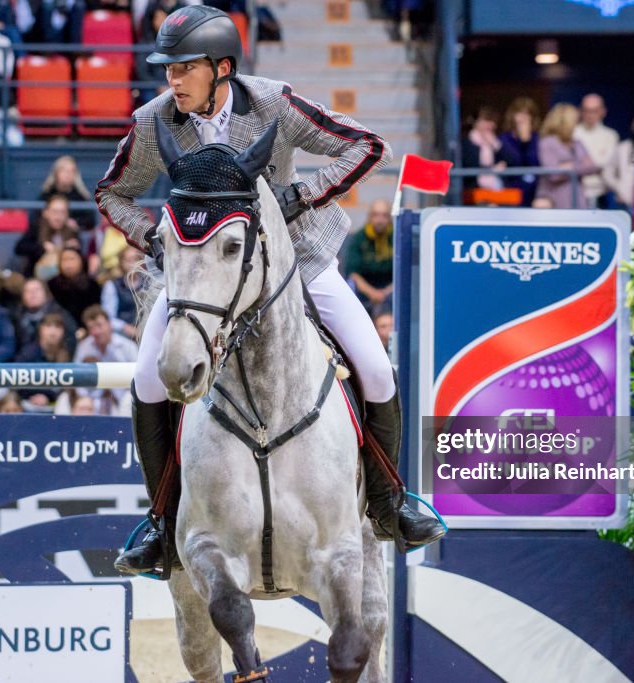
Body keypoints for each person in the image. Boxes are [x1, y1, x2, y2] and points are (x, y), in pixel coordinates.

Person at [97, 5, 443, 576]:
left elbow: (366, 145)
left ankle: (388, 501)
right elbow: (112, 193)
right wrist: (158, 244)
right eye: (168, 70)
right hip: (204, 275)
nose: (172, 81)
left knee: (377, 370)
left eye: (183, 69)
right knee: (146, 378)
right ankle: (163, 521)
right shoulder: (153, 121)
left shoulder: (274, 103)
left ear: (222, 68)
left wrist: (299, 197)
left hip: (295, 261)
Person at [73, 305, 137, 416]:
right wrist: (85, 397)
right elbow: (76, 377)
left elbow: (139, 378)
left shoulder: (127, 346)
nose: (96, 331)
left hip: (124, 398)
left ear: (109, 324)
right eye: (91, 328)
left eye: (99, 325)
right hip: (93, 400)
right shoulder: (84, 347)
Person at [535, 103, 599, 209]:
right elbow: (553, 174)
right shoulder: (548, 142)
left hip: (578, 199)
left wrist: (568, 166)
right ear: (564, 122)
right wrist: (579, 165)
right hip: (555, 200)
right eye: (574, 121)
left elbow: (592, 166)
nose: (576, 125)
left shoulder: (577, 143)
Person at [344, 199, 394, 316]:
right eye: (376, 215)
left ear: (390, 218)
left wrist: (385, 293)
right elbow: (353, 273)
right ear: (369, 217)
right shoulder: (359, 238)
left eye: (384, 215)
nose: (380, 220)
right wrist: (373, 293)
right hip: (364, 291)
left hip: (390, 291)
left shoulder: (396, 237)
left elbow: (403, 271)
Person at [14, 311, 72, 411]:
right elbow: (16, 382)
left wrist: (49, 397)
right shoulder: (28, 353)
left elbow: (66, 387)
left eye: (57, 327)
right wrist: (36, 395)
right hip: (27, 403)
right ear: (41, 329)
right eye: (48, 326)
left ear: (63, 331)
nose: (53, 332)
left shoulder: (65, 355)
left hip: (56, 404)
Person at [14, 193, 81, 278]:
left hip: (64, 279)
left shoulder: (72, 230)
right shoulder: (37, 228)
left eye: (62, 212)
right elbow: (19, 248)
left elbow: (78, 256)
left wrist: (71, 249)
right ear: (46, 213)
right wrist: (42, 247)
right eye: (55, 212)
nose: (58, 217)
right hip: (37, 276)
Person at [572, 93, 619, 209]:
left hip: (602, 194)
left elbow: (606, 163)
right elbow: (571, 164)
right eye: (587, 110)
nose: (590, 115)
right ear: (581, 111)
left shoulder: (611, 135)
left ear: (603, 111)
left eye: (594, 111)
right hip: (575, 192)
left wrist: (584, 164)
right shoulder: (572, 133)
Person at [12, 277, 77, 354]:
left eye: (36, 290)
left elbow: (71, 340)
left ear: (45, 293)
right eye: (28, 291)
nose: (32, 294)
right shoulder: (17, 316)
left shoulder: (59, 314)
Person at [498, 97, 541, 206]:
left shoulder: (537, 138)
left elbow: (535, 163)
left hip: (533, 192)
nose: (523, 119)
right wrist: (523, 142)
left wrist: (527, 141)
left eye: (527, 114)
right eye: (519, 114)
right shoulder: (504, 139)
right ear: (512, 116)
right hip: (511, 191)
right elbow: (513, 161)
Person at [39, 156, 96, 232]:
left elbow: (90, 220)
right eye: (64, 171)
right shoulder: (47, 194)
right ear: (56, 173)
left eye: (71, 171)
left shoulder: (81, 196)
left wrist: (77, 223)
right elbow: (36, 218)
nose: (68, 174)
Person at [47, 246, 101, 327]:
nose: (68, 264)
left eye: (72, 259)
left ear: (81, 261)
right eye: (64, 260)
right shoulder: (51, 284)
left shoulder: (92, 284)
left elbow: (95, 311)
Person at [99, 245, 144, 339]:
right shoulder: (112, 286)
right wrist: (127, 328)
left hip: (145, 333)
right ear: (121, 263)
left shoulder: (148, 283)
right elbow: (108, 317)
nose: (132, 263)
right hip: (121, 335)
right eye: (128, 260)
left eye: (136, 259)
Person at [461, 106, 505, 192]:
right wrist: (491, 170)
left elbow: (511, 160)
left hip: (496, 188)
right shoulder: (467, 142)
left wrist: (496, 144)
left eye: (493, 122)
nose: (491, 125)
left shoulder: (496, 141)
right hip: (474, 190)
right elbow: (469, 165)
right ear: (476, 122)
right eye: (487, 121)